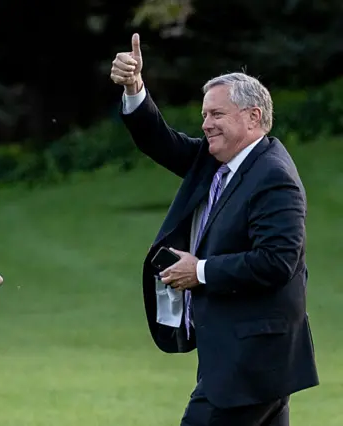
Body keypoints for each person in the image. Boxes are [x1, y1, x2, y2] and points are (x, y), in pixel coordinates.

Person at [110, 34, 319, 426]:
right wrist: (134, 88)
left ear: (253, 117)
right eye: (205, 115)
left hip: (250, 363)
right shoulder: (217, 162)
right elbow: (162, 142)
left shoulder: (273, 177)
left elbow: (277, 261)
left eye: (216, 115)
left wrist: (200, 271)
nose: (205, 124)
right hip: (247, 360)